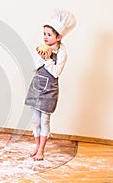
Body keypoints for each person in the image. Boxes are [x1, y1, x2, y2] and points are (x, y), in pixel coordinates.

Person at [25, 10, 76, 161]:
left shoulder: (62, 53)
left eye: (49, 34)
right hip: (37, 86)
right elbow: (33, 66)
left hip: (49, 90)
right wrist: (42, 57)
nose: (45, 37)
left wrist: (48, 59)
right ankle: (36, 145)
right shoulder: (41, 49)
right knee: (35, 119)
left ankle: (42, 149)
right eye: (44, 34)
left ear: (58, 37)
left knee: (44, 120)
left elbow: (55, 73)